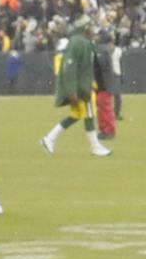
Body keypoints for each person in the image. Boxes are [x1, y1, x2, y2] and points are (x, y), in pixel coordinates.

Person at [43, 11, 111, 157]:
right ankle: (95, 146)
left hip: (81, 86)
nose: (93, 31)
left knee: (75, 115)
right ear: (85, 28)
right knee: (89, 114)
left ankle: (49, 138)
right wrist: (72, 90)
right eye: (90, 28)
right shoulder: (79, 42)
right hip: (82, 88)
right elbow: (70, 67)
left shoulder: (79, 41)